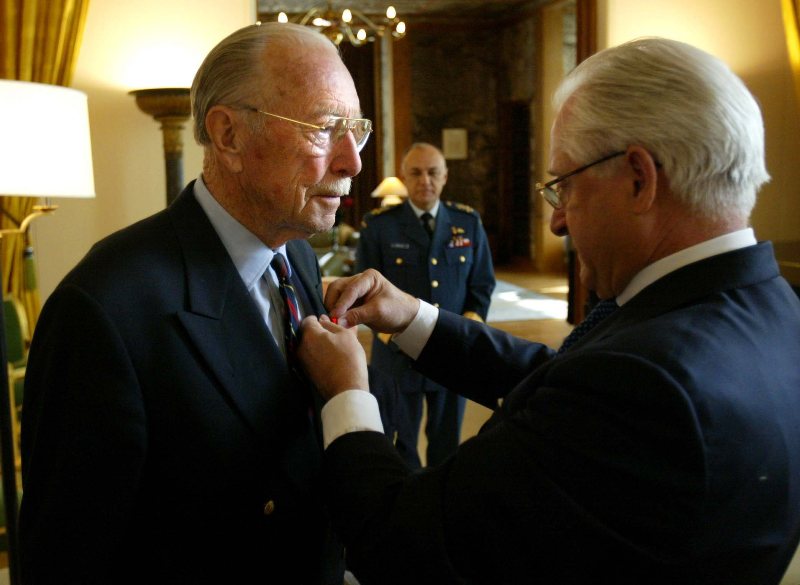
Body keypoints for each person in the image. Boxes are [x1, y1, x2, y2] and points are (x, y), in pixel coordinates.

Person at [296, 37, 800, 585]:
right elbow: (561, 377)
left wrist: (348, 391)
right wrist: (414, 316)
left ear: (639, 179)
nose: (558, 223)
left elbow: (399, 542)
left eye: (564, 187)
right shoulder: (772, 308)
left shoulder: (644, 384)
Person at [19, 22, 373, 584]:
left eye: (356, 130)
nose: (352, 161)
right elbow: (64, 557)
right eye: (326, 128)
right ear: (228, 136)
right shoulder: (104, 309)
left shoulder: (297, 258)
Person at [355, 142, 495, 468]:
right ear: (403, 177)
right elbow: (367, 293)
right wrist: (397, 338)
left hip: (452, 356)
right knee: (399, 444)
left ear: (445, 177)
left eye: (433, 172)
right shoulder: (379, 225)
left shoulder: (468, 223)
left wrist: (464, 332)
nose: (425, 180)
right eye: (416, 173)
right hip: (397, 357)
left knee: (446, 445)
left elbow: (481, 286)